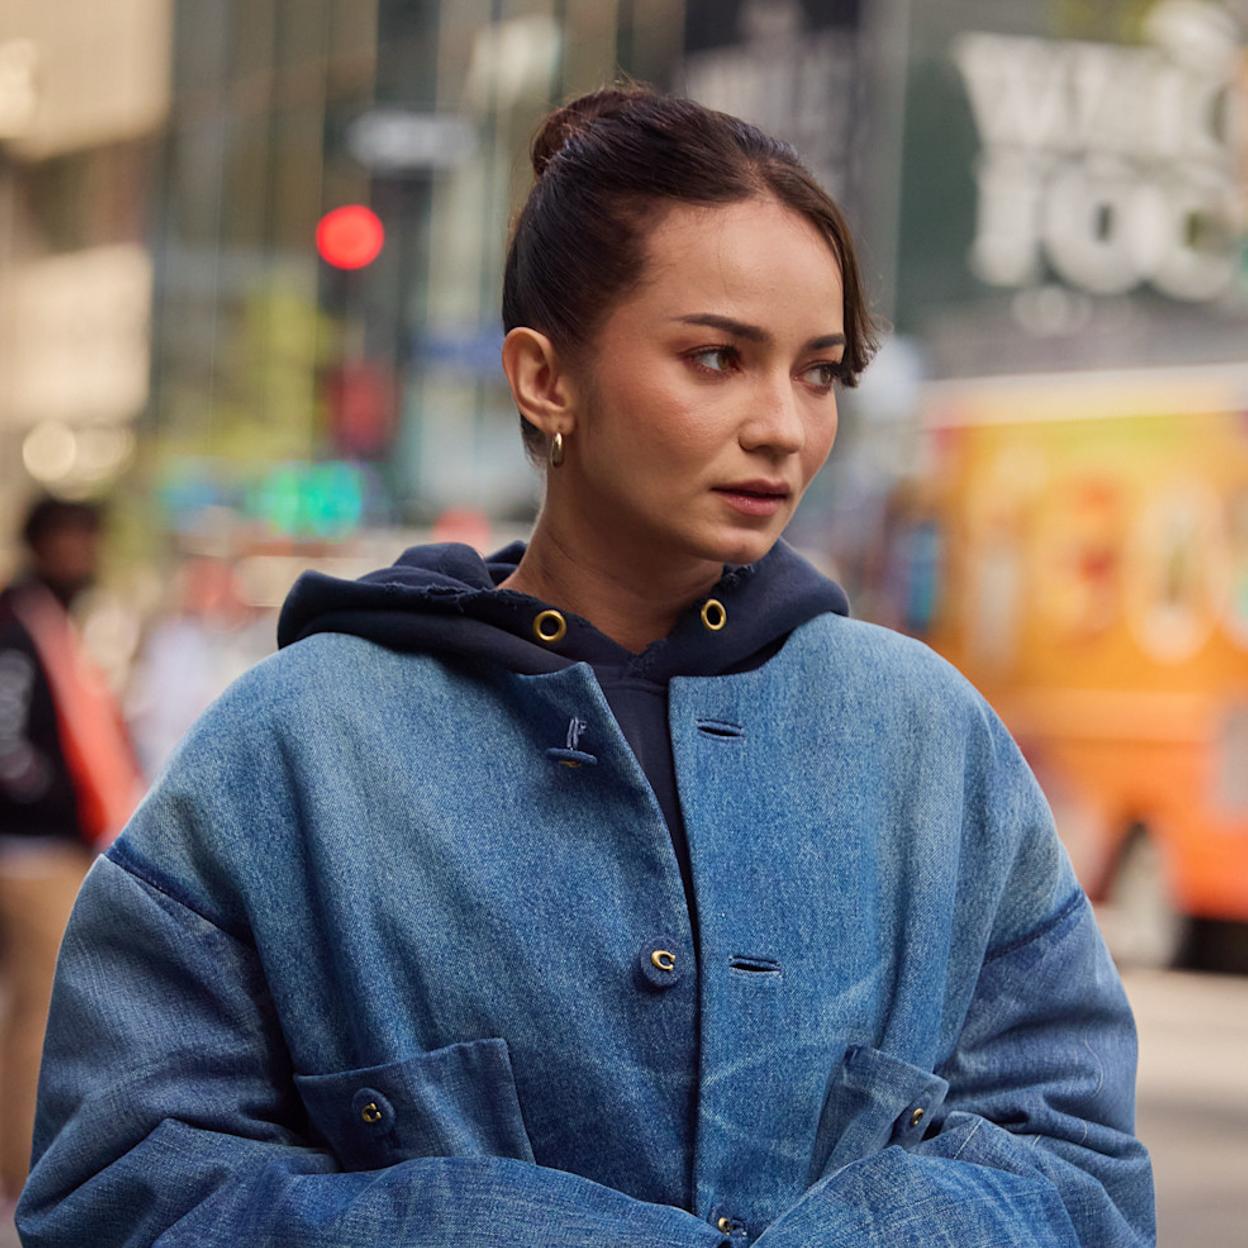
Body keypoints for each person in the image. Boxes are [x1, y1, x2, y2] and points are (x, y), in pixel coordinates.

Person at [16, 84, 1154, 1246]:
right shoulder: (300, 746)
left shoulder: (924, 738)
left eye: (819, 372)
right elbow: (122, 1187)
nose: (783, 425)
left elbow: (1075, 1161)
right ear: (544, 378)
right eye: (717, 357)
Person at [0, 496, 141, 1209]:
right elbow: (9, 745)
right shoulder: (16, 625)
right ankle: (21, 1173)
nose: (80, 553)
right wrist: (58, 804)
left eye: (87, 538)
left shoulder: (51, 621)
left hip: (47, 847)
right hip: (29, 854)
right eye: (67, 539)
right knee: (41, 1017)